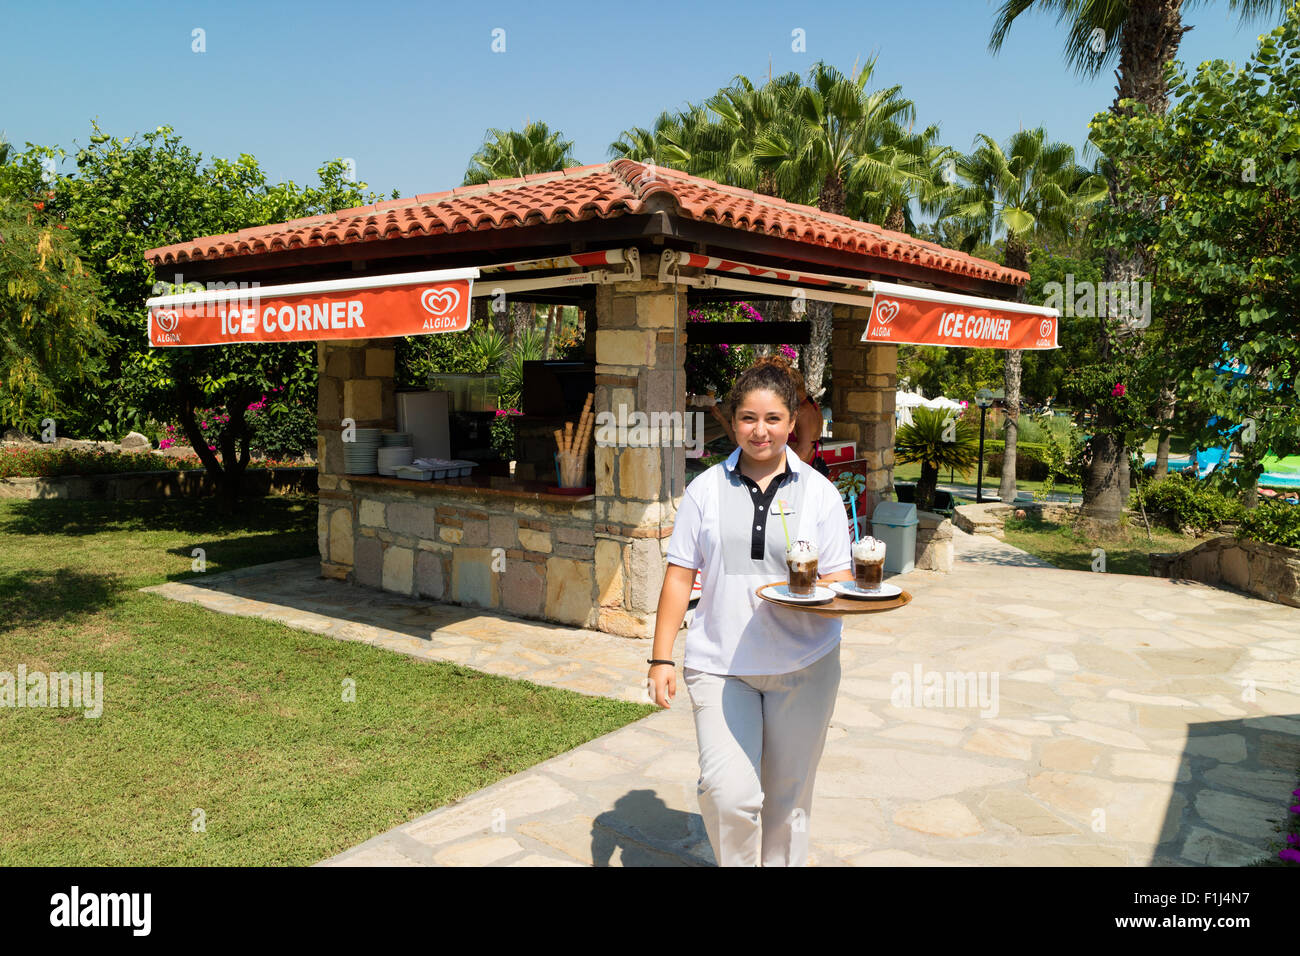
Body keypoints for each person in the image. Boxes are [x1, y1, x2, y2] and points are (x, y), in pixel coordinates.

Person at [648, 354, 853, 866]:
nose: (759, 431)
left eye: (773, 419)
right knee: (729, 794)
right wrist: (660, 657)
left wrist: (826, 594)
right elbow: (678, 576)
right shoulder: (705, 490)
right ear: (732, 419)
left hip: (805, 665)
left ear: (792, 423)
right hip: (722, 666)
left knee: (789, 801)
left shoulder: (820, 495)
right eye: (747, 418)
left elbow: (840, 580)